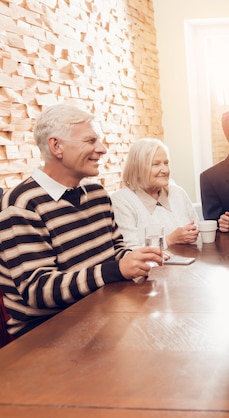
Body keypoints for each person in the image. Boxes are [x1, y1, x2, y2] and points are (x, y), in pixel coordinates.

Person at [0, 104, 162, 337]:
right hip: (45, 336)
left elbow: (116, 251)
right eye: (90, 141)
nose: (102, 149)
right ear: (56, 146)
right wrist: (115, 269)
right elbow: (38, 290)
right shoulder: (21, 205)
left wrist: (135, 259)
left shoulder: (97, 194)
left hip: (102, 315)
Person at [111, 138, 199, 249]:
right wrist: (169, 240)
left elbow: (198, 229)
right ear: (137, 169)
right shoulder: (121, 202)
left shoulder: (178, 193)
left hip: (191, 262)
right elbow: (129, 252)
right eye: (156, 164)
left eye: (166, 163)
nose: (165, 170)